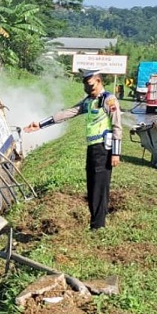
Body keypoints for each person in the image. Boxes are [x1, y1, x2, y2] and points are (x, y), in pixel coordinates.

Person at [24, 69, 122, 230]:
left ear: (98, 81)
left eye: (90, 85)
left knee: (99, 186)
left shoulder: (109, 100)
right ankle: (96, 222)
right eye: (85, 86)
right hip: (92, 148)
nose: (87, 89)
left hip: (104, 149)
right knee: (92, 185)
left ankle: (98, 226)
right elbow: (68, 113)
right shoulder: (89, 101)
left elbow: (117, 126)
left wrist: (116, 153)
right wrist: (41, 124)